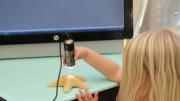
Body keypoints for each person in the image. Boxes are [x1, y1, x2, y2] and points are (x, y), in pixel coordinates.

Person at [72, 29, 180, 101]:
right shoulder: (147, 83)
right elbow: (115, 71)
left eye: (132, 69)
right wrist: (86, 53)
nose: (126, 74)